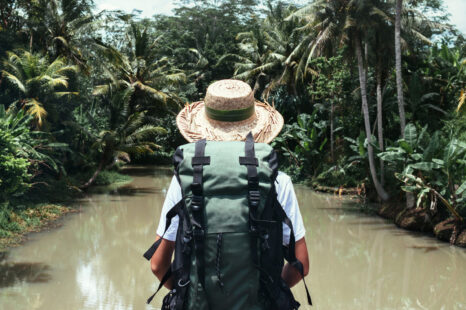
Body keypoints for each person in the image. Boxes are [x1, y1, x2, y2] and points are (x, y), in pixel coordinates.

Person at [145, 79, 311, 309]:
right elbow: (300, 264)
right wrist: (269, 293)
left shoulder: (184, 181)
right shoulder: (278, 181)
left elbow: (157, 265)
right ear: (256, 126)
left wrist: (186, 290)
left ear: (203, 126)